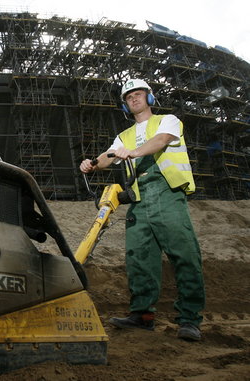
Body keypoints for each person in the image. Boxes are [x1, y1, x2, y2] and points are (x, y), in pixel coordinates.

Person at [79, 78, 205, 341]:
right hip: (139, 198)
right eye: (128, 97)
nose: (134, 98)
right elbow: (108, 155)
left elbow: (160, 141)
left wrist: (133, 153)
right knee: (139, 258)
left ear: (149, 97)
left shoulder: (167, 120)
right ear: (125, 105)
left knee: (184, 254)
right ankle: (142, 315)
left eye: (138, 94)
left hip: (168, 192)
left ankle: (190, 319)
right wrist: (92, 164)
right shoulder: (123, 136)